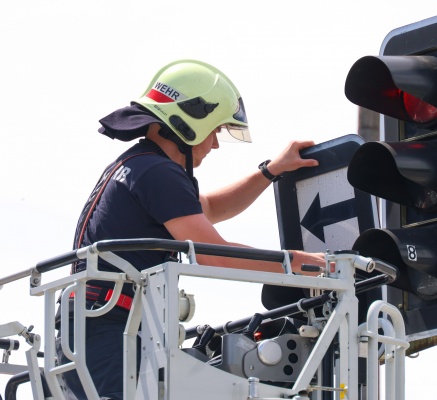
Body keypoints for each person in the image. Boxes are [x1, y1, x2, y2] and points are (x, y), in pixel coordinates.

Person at [56, 59, 326, 399]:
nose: (214, 144)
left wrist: (270, 171)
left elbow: (208, 208)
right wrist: (301, 264)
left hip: (94, 331)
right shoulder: (157, 172)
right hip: (111, 334)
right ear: (189, 124)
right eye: (214, 131)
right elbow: (216, 256)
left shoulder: (136, 166)